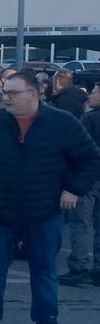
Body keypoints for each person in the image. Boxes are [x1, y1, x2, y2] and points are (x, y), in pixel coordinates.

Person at [0, 72, 100, 324]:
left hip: (44, 212)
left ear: (34, 95)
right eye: (4, 93)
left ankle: (47, 319)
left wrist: (73, 189)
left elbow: (90, 159)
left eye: (13, 94)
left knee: (44, 268)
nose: (5, 98)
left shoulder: (62, 122)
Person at [62, 84, 100, 287]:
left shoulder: (90, 119)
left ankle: (79, 266)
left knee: (81, 222)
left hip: (89, 178)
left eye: (95, 92)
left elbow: (77, 147)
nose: (90, 96)